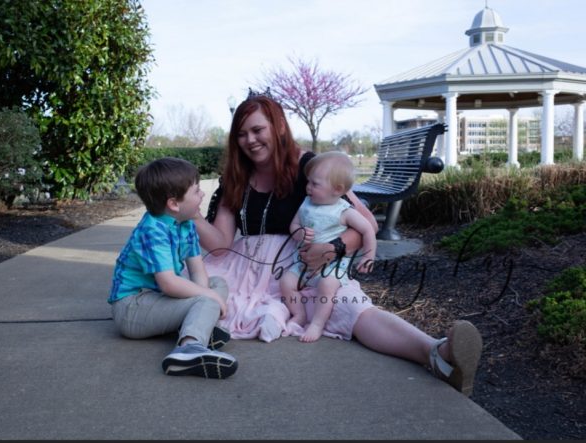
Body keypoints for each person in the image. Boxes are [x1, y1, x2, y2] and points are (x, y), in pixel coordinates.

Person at [194, 91, 482, 396]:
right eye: (241, 134)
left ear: (278, 127)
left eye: (257, 130)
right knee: (197, 295)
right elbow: (220, 244)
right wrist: (191, 216)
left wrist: (334, 248)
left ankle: (437, 352)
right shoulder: (236, 176)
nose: (250, 140)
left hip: (302, 264)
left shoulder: (309, 167)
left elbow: (366, 224)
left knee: (349, 306)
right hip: (246, 269)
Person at [108, 157, 238, 379]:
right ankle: (189, 347)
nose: (202, 195)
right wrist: (208, 298)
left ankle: (198, 325)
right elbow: (168, 284)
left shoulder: (186, 224)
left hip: (157, 299)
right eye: (196, 191)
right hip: (132, 309)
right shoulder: (152, 230)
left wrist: (207, 294)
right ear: (174, 204)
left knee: (217, 284)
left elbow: (197, 271)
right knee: (207, 298)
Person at [280, 151, 377, 342]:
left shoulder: (344, 211)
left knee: (327, 286)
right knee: (286, 282)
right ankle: (299, 314)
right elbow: (294, 224)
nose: (308, 187)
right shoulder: (306, 202)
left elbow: (368, 230)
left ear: (337, 189)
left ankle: (317, 324)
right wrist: (299, 232)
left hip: (332, 266)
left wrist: (368, 256)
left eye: (315, 184)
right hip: (302, 262)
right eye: (308, 182)